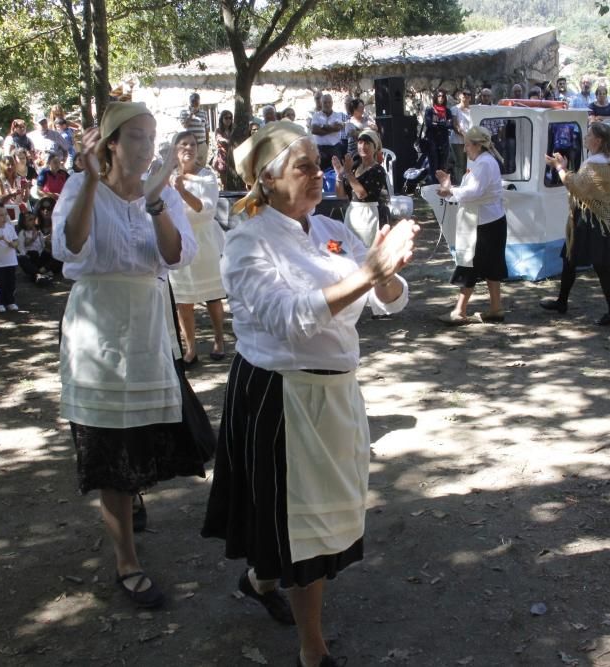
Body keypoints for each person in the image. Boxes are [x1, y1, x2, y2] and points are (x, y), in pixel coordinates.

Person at [201, 121, 417, 667]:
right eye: (303, 165)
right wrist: (368, 273)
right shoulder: (247, 240)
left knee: (314, 515)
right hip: (282, 394)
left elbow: (389, 300)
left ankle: (259, 580)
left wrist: (388, 276)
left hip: (336, 391)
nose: (319, 173)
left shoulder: (329, 226)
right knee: (303, 527)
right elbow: (287, 319)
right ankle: (312, 650)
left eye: (320, 162)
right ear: (267, 181)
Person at [52, 102, 198, 610]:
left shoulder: (163, 194)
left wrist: (156, 203)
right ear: (111, 143)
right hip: (98, 326)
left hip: (148, 325)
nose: (146, 146)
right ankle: (127, 562)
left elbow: (176, 256)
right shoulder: (78, 187)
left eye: (150, 136)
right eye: (135, 136)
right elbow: (70, 245)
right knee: (110, 451)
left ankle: (130, 496)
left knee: (138, 439)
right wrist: (91, 182)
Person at [541, 122, 610, 325]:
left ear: (598, 140)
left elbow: (575, 186)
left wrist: (560, 169)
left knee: (601, 267)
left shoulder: (596, 164)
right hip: (589, 217)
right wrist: (565, 168)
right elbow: (581, 184)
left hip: (593, 220)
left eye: (589, 135)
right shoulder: (602, 161)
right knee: (569, 259)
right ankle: (562, 302)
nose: (585, 138)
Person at [434, 125, 508, 324]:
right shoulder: (484, 162)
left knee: (470, 264)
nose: (465, 149)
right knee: (491, 266)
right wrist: (451, 190)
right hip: (490, 221)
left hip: (484, 223)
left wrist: (450, 191)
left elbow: (474, 192)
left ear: (476, 145)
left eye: (467, 145)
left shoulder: (485, 163)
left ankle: (460, 310)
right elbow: (473, 191)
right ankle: (495, 307)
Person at [167, 131, 226, 364]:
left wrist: (182, 191)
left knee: (212, 296)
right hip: (179, 243)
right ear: (175, 149)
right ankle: (190, 348)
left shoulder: (207, 176)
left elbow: (207, 209)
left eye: (192, 144)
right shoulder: (168, 177)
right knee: (183, 300)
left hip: (206, 242)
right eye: (183, 144)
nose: (189, 148)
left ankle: (219, 339)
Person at [332, 128, 389, 250]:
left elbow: (362, 194)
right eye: (360, 142)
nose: (363, 146)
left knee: (366, 251)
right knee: (349, 250)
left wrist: (347, 172)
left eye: (368, 143)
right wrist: (339, 176)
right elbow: (341, 195)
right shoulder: (354, 167)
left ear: (375, 148)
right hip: (353, 213)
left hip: (369, 215)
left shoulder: (378, 170)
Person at [422, 89, 454, 185]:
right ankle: (433, 187)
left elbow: (450, 125)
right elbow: (429, 124)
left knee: (442, 166)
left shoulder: (447, 111)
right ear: (435, 97)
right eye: (439, 96)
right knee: (433, 166)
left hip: (444, 142)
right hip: (432, 141)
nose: (441, 98)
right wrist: (443, 123)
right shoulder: (430, 110)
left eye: (443, 96)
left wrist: (437, 123)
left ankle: (441, 187)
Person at [310, 94, 347, 171]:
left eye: (329, 102)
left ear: (332, 103)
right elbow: (314, 130)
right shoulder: (316, 115)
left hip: (334, 149)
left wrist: (321, 127)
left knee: (336, 173)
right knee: (320, 173)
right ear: (321, 103)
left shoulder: (337, 115)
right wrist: (331, 127)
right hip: (320, 150)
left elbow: (338, 128)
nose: (327, 104)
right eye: (325, 102)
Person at [16, 211, 54, 285]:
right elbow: (21, 248)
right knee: (22, 258)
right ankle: (38, 274)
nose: (33, 222)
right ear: (24, 222)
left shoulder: (38, 232)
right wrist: (32, 239)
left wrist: (47, 241)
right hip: (30, 257)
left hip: (39, 257)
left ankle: (37, 273)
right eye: (30, 220)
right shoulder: (23, 233)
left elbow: (43, 245)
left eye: (34, 219)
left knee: (51, 254)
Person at [212, 110, 243, 191]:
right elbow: (219, 139)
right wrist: (228, 141)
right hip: (223, 157)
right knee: (224, 181)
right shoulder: (219, 130)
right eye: (226, 118)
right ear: (222, 119)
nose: (228, 120)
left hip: (234, 157)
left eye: (230, 118)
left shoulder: (233, 129)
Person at [449, 89, 473, 185]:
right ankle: (460, 185)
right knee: (460, 164)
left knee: (469, 164)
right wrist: (465, 135)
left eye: (468, 94)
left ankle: (468, 184)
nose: (466, 96)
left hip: (470, 141)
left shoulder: (473, 109)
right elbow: (455, 125)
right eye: (464, 94)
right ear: (459, 96)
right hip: (457, 141)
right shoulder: (455, 109)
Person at [179, 92, 210, 168]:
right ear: (190, 102)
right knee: (190, 166)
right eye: (193, 101)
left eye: (197, 101)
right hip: (190, 145)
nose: (195, 103)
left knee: (202, 168)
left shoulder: (204, 113)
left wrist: (207, 144)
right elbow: (184, 125)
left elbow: (207, 130)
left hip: (202, 145)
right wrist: (191, 114)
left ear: (199, 102)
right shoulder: (184, 112)